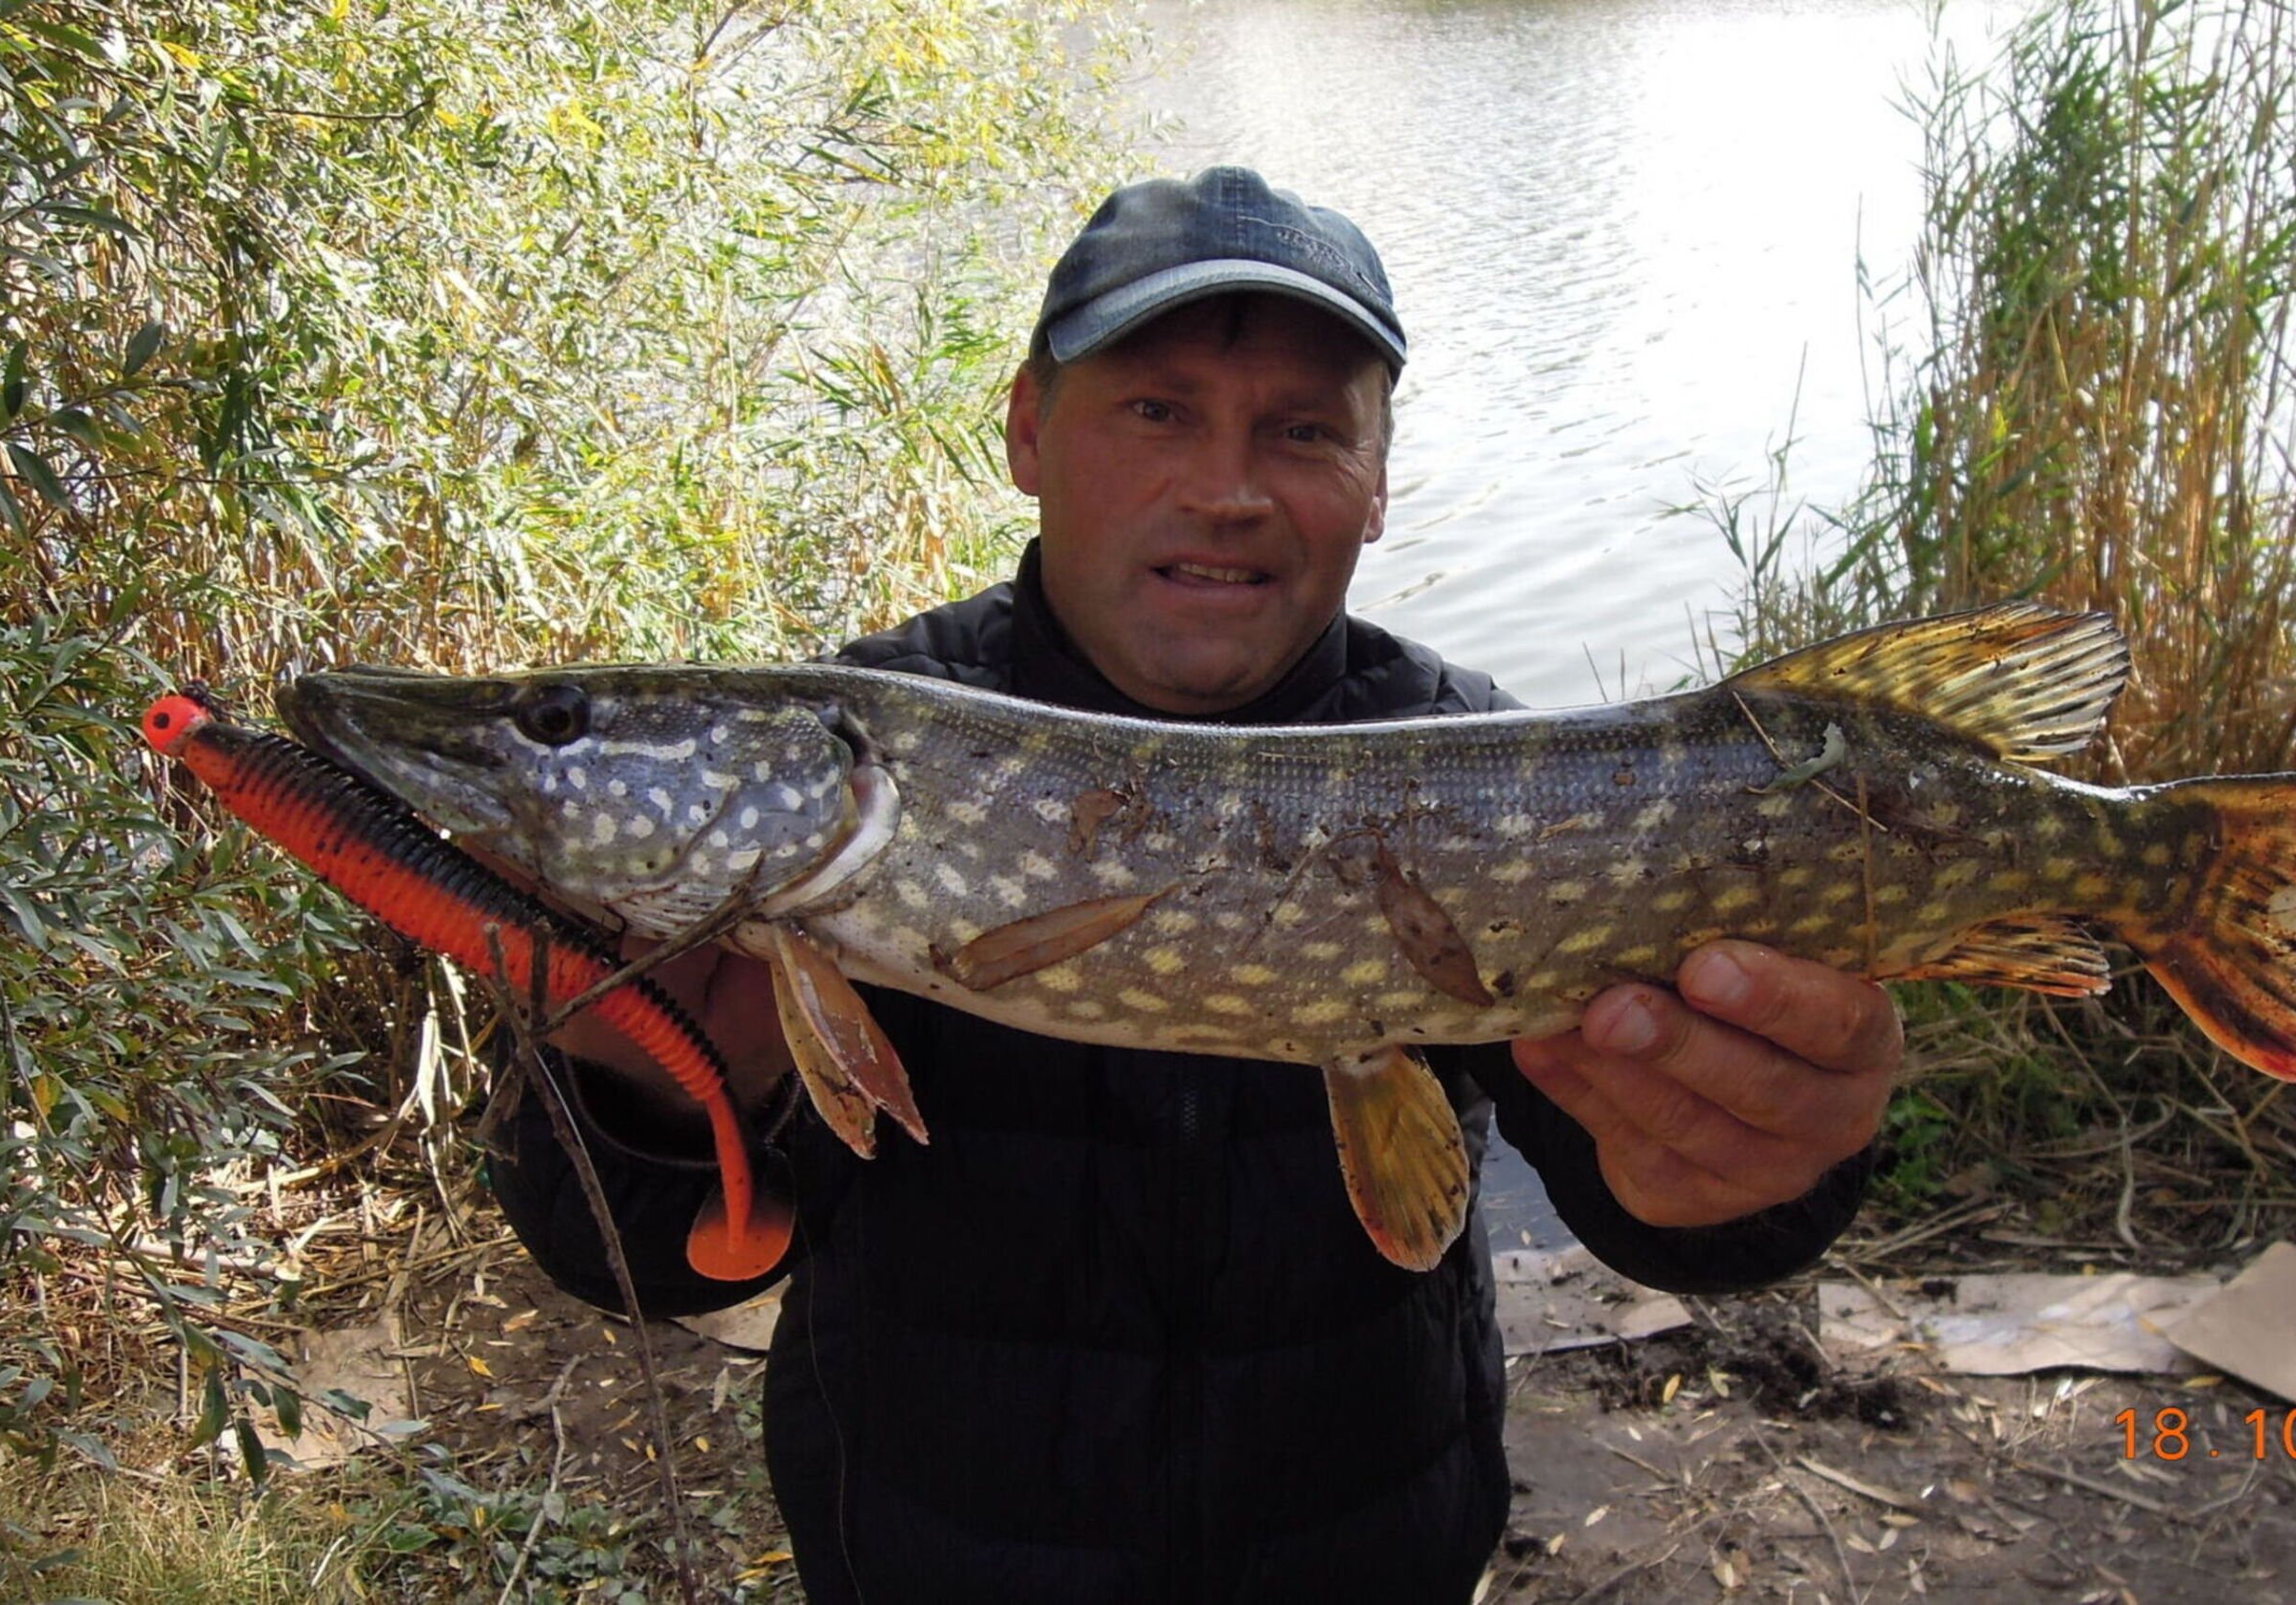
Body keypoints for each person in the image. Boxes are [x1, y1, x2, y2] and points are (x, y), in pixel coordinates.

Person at [490, 166, 1903, 1604]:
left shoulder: (1478, 765)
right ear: (1028, 429)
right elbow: (646, 1261)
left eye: (1304, 431)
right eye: (1157, 411)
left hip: (1368, 1554)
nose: (1227, 493)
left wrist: (1754, 1169)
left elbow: (1653, 1192)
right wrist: (652, 1089)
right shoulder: (870, 751)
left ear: (1377, 482)